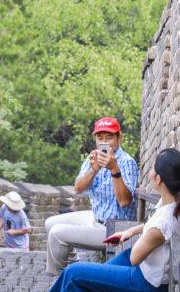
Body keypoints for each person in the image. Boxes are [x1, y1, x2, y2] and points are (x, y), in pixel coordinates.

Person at [0, 147, 180, 292]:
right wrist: (130, 231)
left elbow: (136, 257)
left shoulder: (163, 222)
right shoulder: (174, 202)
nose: (150, 172)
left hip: (147, 281)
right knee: (84, 286)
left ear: (159, 179)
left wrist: (144, 235)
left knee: (75, 272)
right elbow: (154, 227)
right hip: (148, 267)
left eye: (153, 169)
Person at [44, 116, 138, 275]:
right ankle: (72, 266)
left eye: (109, 137)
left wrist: (114, 169)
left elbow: (124, 201)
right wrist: (93, 171)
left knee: (56, 233)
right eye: (100, 138)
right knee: (49, 223)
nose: (104, 142)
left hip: (113, 228)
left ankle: (60, 276)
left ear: (119, 137)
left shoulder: (126, 162)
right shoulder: (93, 158)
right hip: (95, 217)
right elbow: (78, 188)